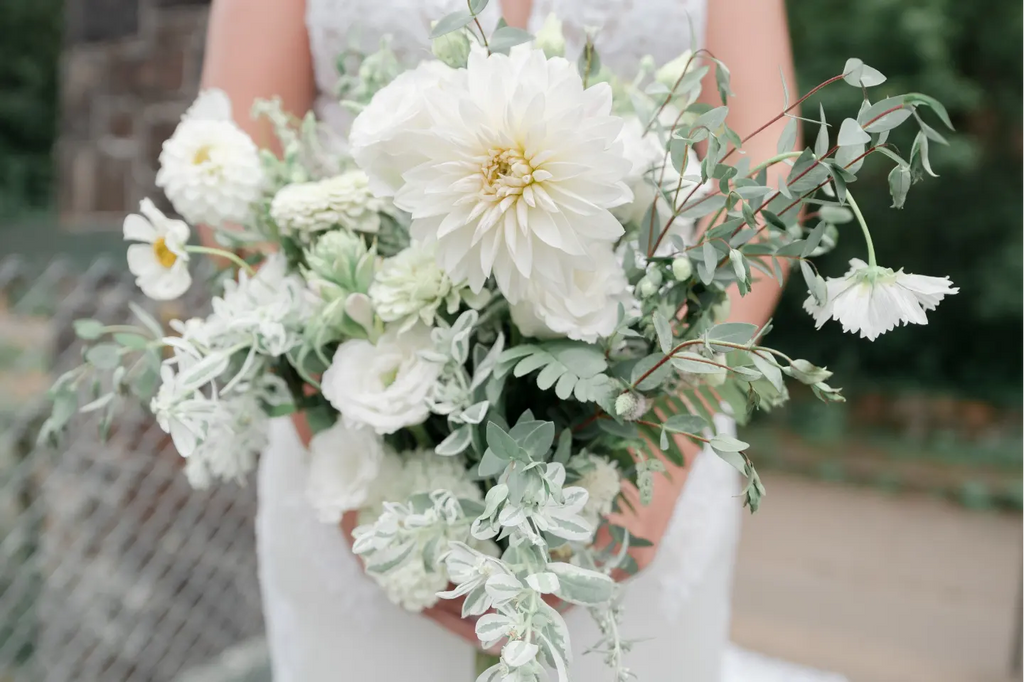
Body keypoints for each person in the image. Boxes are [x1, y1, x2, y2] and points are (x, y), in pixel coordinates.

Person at [200, 1, 845, 680]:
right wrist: (349, 458)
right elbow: (235, 179)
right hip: (354, 436)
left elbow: (763, 175)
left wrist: (662, 456)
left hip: (642, 442)